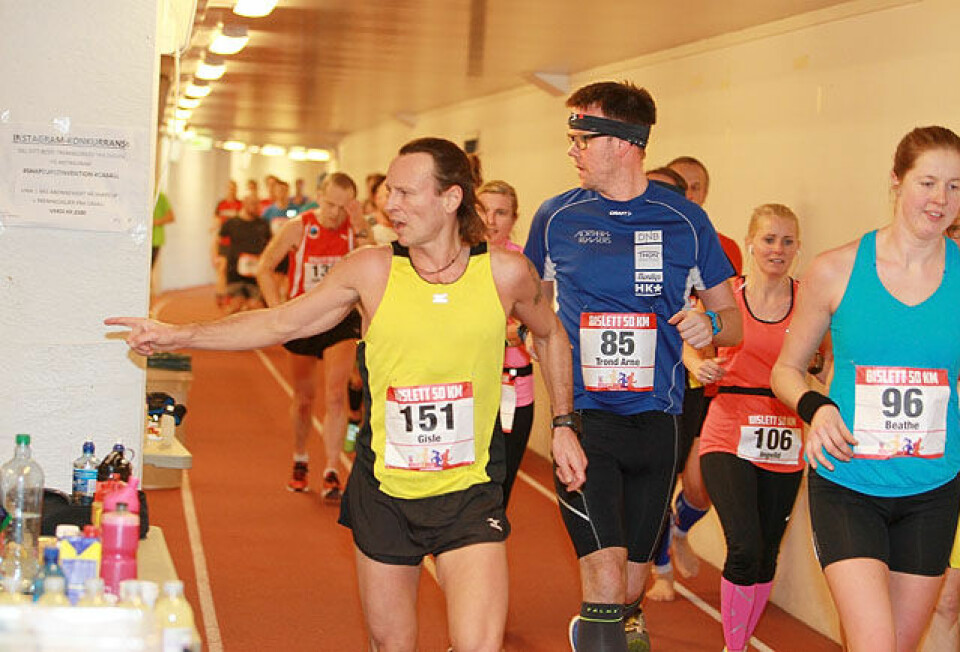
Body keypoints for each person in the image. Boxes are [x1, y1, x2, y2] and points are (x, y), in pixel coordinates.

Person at [107, 136, 586, 652]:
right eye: (390, 191)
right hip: (385, 492)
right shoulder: (372, 270)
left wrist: (563, 425)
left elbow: (552, 333)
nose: (389, 204)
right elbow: (281, 322)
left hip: (468, 491)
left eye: (406, 192)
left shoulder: (503, 273)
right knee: (391, 645)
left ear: (451, 199)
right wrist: (181, 335)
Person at [524, 80, 741, 652]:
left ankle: (603, 627)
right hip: (585, 421)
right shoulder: (555, 217)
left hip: (658, 422)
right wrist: (528, 338)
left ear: (622, 142)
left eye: (581, 138)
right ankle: (601, 632)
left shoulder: (686, 220)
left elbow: (731, 321)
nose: (571, 150)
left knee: (628, 584)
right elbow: (524, 305)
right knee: (601, 575)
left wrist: (709, 327)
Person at [771, 126, 960, 652]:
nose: (941, 200)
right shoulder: (835, 270)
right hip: (848, 480)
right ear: (896, 182)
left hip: (933, 488)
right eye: (928, 182)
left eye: (956, 186)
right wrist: (817, 406)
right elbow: (785, 370)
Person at [697, 204, 816, 652]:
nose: (777, 249)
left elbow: (825, 359)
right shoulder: (726, 295)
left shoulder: (809, 301)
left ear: (798, 248)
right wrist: (698, 366)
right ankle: (734, 645)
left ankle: (740, 640)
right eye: (769, 239)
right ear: (750, 242)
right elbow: (689, 344)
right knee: (744, 545)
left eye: (787, 241)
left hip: (785, 437)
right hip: (728, 430)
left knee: (767, 550)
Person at [647, 155, 745, 602]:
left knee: (701, 482)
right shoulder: (647, 243)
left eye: (696, 186)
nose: (689, 193)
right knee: (662, 479)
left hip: (710, 382)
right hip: (663, 379)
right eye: (680, 186)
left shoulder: (723, 246)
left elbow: (731, 318)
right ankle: (660, 566)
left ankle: (680, 529)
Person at [256, 172, 363, 499]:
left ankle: (332, 468)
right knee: (303, 399)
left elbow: (376, 260)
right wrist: (277, 310)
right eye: (329, 204)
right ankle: (300, 457)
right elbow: (265, 267)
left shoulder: (354, 230)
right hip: (303, 318)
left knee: (334, 394)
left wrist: (360, 227)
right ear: (319, 196)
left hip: (340, 320)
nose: (334, 213)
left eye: (342, 207)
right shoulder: (299, 227)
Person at [477, 179, 535, 508]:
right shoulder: (457, 260)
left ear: (514, 220)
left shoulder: (524, 265)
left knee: (501, 488)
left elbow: (535, 326)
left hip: (514, 389)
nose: (491, 220)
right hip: (467, 388)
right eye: (484, 210)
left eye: (501, 213)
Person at [219, 195, 271, 314]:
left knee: (256, 307)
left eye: (257, 204)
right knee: (235, 305)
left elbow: (270, 244)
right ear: (245, 204)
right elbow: (220, 243)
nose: (257, 207)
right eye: (253, 204)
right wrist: (220, 262)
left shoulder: (263, 224)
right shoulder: (231, 223)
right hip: (234, 272)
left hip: (255, 274)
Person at [212, 180, 244, 309]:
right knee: (222, 268)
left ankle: (230, 294)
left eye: (234, 188)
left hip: (236, 243)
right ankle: (220, 294)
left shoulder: (240, 204)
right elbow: (215, 220)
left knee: (232, 271)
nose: (231, 191)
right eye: (229, 188)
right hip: (224, 242)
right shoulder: (221, 204)